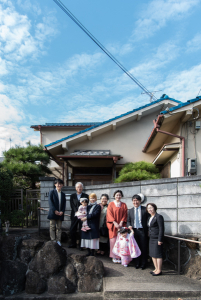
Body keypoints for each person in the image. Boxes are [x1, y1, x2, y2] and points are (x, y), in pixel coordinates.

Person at [127, 194, 149, 269]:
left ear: (140, 201)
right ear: (132, 201)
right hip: (134, 231)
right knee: (135, 247)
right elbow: (128, 221)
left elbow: (148, 220)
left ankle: (143, 263)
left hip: (142, 231)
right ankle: (137, 263)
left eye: (137, 200)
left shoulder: (144, 209)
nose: (135, 202)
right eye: (134, 200)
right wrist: (129, 226)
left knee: (143, 247)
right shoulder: (130, 210)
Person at [106, 190, 127, 264]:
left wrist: (121, 222)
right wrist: (114, 223)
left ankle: (120, 256)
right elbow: (109, 214)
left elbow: (125, 214)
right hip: (113, 225)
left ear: (121, 196)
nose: (118, 196)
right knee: (113, 241)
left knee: (121, 242)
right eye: (117, 195)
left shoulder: (124, 204)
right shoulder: (111, 204)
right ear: (114, 196)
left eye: (120, 195)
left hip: (121, 225)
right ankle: (114, 256)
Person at [69, 182, 89, 249]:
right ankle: (73, 243)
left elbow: (86, 205)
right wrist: (76, 211)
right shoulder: (72, 196)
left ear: (82, 188)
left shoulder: (86, 195)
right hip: (74, 214)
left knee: (82, 229)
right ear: (75, 188)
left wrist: (82, 211)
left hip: (82, 216)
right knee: (72, 229)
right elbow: (72, 205)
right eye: (78, 187)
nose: (79, 188)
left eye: (80, 187)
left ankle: (81, 245)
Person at [147, 203, 164, 276]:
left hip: (157, 238)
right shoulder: (150, 217)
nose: (150, 209)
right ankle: (156, 268)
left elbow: (161, 229)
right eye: (148, 208)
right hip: (151, 238)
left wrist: (160, 239)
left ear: (154, 208)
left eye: (151, 208)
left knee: (158, 254)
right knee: (153, 254)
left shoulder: (159, 217)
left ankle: (159, 270)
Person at [47, 179, 66, 246]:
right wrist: (55, 210)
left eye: (60, 184)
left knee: (59, 228)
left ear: (62, 185)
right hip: (53, 213)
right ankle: (53, 240)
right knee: (52, 227)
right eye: (57, 184)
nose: (59, 185)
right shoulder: (51, 192)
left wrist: (62, 211)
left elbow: (64, 204)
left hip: (60, 213)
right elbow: (50, 202)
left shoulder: (63, 194)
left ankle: (58, 240)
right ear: (55, 184)